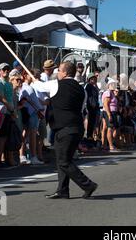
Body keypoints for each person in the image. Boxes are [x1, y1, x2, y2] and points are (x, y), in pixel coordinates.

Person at [34, 61, 98, 199]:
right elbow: (81, 109)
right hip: (76, 128)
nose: (57, 73)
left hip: (65, 129)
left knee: (63, 161)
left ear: (64, 72)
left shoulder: (56, 84)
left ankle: (88, 185)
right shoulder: (82, 89)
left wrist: (34, 80)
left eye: (59, 71)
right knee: (62, 159)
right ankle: (62, 190)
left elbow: (38, 87)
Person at [0, 63, 15, 168]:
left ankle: (5, 158)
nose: (6, 71)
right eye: (4, 69)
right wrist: (11, 109)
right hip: (2, 112)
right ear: (0, 71)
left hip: (9, 112)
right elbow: (1, 97)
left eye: (8, 69)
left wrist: (12, 110)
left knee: (6, 137)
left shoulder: (9, 83)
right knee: (1, 137)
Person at [20, 70, 44, 165]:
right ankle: (33, 156)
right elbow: (36, 102)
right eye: (32, 75)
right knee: (32, 135)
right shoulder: (28, 88)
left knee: (26, 134)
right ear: (25, 75)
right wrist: (41, 109)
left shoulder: (24, 87)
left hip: (27, 112)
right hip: (32, 113)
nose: (34, 77)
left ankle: (23, 155)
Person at [101, 79, 119, 152]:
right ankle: (111, 145)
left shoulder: (111, 93)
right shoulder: (108, 92)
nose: (114, 85)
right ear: (108, 85)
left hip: (112, 112)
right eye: (112, 84)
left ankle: (105, 145)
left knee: (107, 128)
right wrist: (109, 114)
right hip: (109, 112)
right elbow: (105, 104)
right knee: (110, 128)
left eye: (114, 84)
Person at [85, 73, 100, 143]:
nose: (94, 79)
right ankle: (89, 137)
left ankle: (91, 137)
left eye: (94, 78)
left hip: (95, 107)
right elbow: (89, 98)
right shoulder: (88, 86)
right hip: (91, 107)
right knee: (90, 124)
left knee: (94, 123)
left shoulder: (94, 87)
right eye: (92, 78)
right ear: (89, 80)